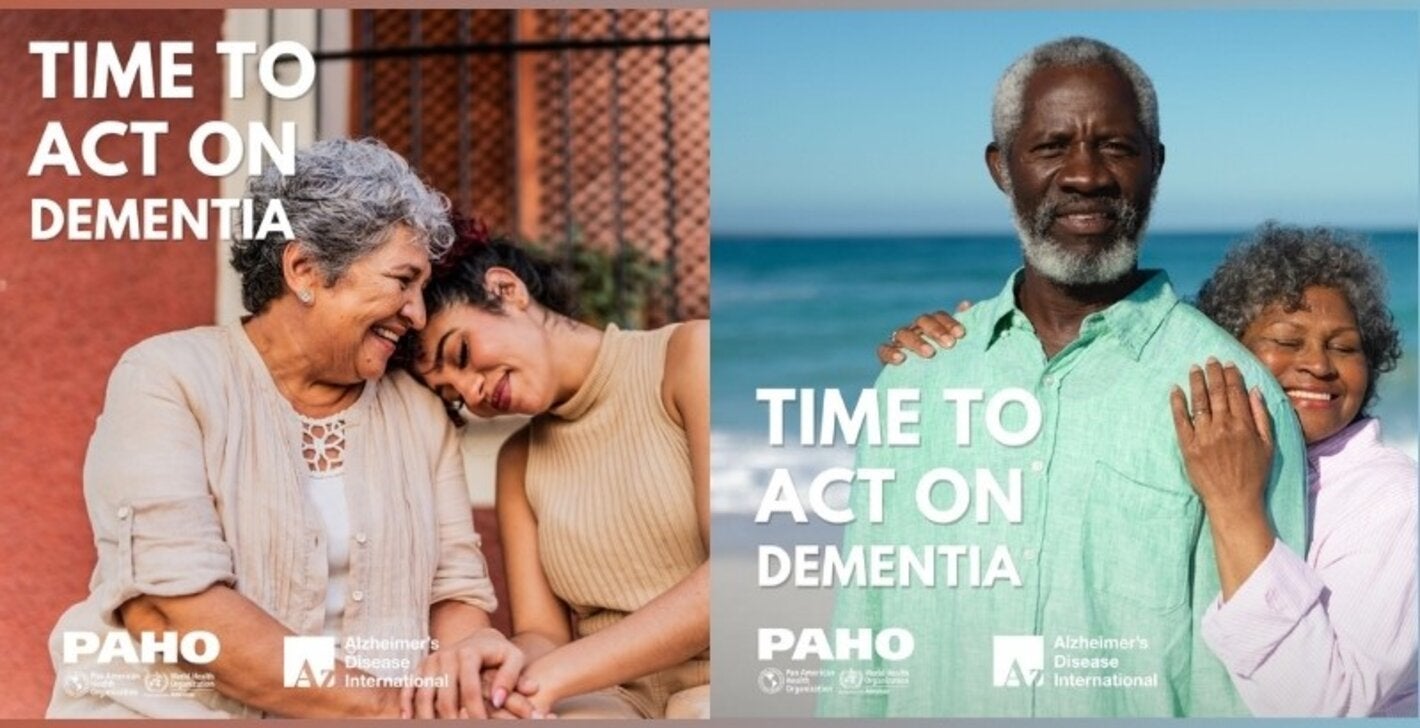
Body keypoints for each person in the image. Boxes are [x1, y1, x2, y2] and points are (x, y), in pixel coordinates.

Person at [819, 37, 1308, 718]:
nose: (1086, 175)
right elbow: (863, 637)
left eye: (1117, 147)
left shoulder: (1233, 398)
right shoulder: (916, 384)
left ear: (1155, 165)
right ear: (1001, 167)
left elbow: (1245, 685)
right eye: (1051, 146)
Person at [46, 139, 523, 719]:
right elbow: (173, 608)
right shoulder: (168, 378)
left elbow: (455, 591)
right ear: (304, 270)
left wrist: (464, 661)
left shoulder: (417, 415)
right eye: (403, 280)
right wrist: (390, 707)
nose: (417, 314)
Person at [883, 224, 1418, 717]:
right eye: (1286, 341)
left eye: (1345, 347)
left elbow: (1328, 704)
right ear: (1227, 350)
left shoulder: (1390, 499)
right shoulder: (1188, 450)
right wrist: (968, 344)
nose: (1319, 364)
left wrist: (1236, 506)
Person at [409, 223, 710, 719]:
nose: (472, 391)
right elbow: (543, 635)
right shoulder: (518, 461)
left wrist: (556, 674)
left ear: (506, 290)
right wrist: (500, 667)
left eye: (460, 354)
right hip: (610, 696)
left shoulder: (688, 359)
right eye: (453, 396)